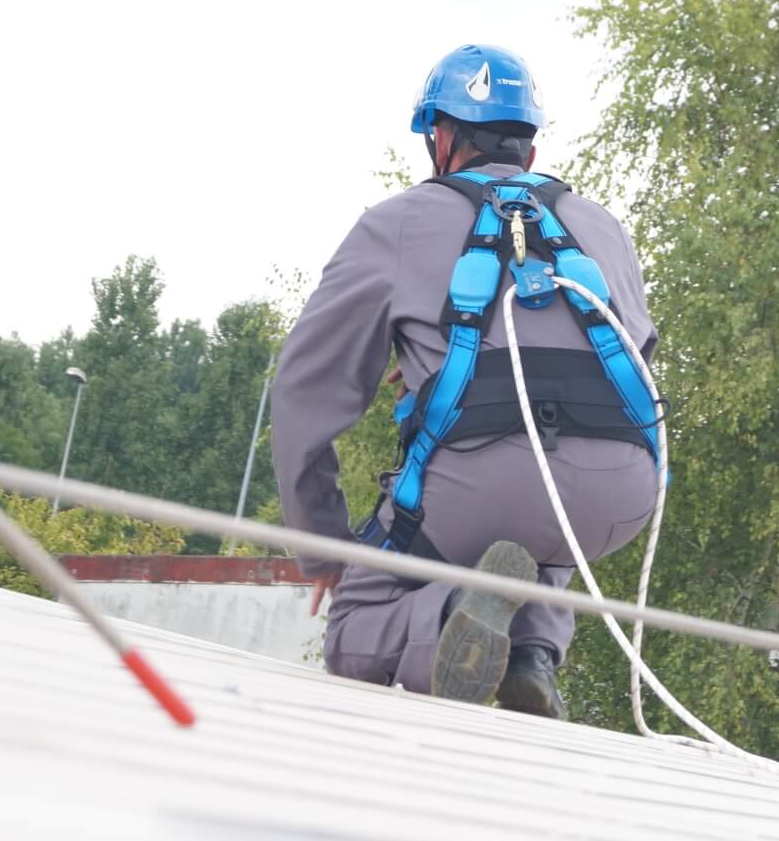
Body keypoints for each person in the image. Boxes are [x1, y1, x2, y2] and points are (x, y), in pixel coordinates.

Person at [270, 44, 660, 720]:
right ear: (530, 149)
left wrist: (321, 546)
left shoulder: (396, 223)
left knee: (356, 625)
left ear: (440, 139)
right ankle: (533, 652)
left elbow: (304, 390)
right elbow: (631, 362)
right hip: (620, 497)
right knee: (550, 490)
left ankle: (451, 616)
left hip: (479, 491)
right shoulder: (603, 227)